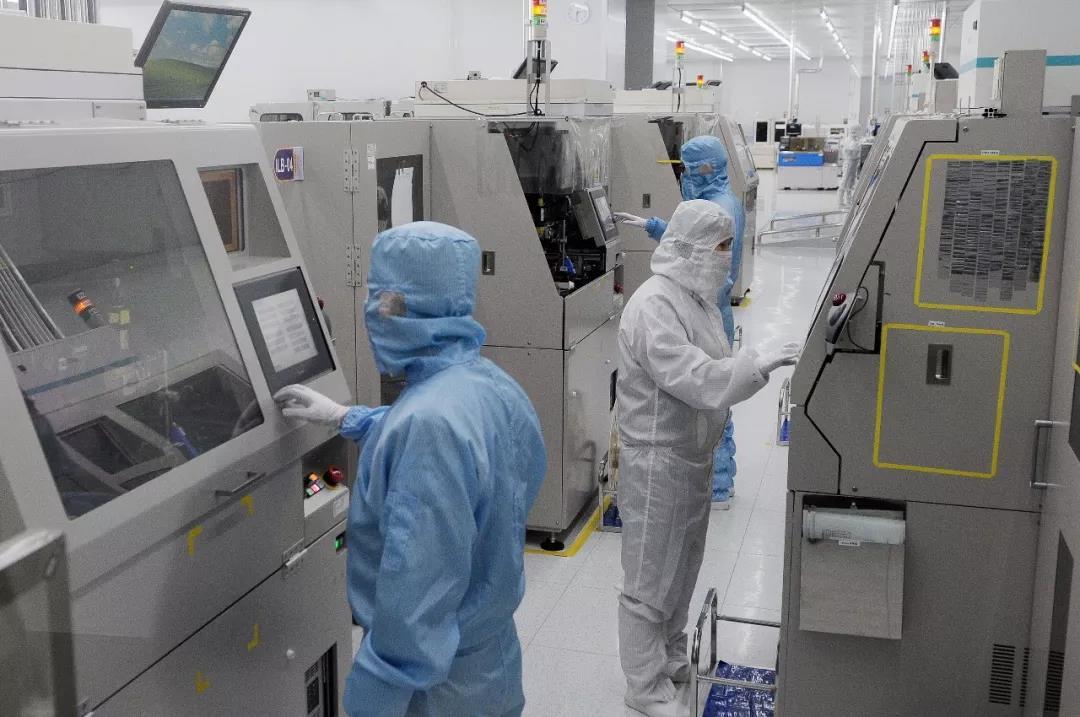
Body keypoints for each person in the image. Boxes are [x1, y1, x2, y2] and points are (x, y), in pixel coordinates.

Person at [274, 222, 547, 717]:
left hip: (433, 688)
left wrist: (373, 697)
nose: (373, 312)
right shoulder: (492, 386)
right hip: (489, 665)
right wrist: (347, 418)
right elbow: (468, 455)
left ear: (401, 307)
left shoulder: (428, 426)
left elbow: (416, 598)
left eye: (382, 300)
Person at [616, 200, 799, 717]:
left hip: (690, 456)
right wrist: (755, 366)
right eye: (721, 247)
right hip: (657, 462)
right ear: (691, 248)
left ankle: (671, 657)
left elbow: (711, 359)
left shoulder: (694, 298)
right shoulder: (654, 305)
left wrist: (744, 363)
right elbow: (694, 377)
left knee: (681, 569)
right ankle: (643, 686)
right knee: (649, 578)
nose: (726, 257)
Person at [616, 135, 744, 510]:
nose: (684, 176)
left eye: (688, 170)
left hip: (708, 308)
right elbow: (694, 244)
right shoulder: (723, 200)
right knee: (711, 390)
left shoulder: (718, 208)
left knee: (711, 393)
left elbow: (704, 257)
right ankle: (717, 480)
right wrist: (657, 226)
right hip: (709, 308)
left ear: (705, 168)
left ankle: (718, 484)